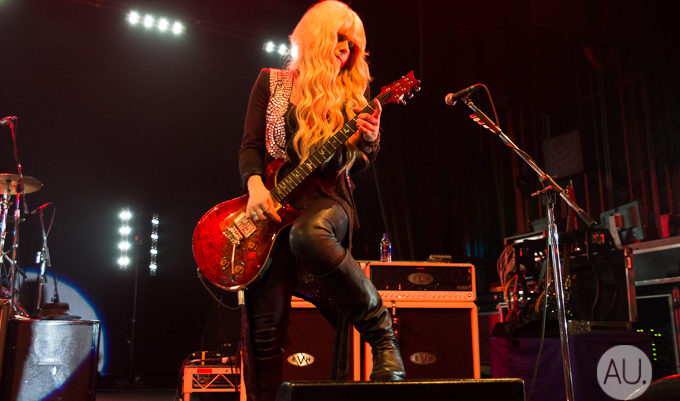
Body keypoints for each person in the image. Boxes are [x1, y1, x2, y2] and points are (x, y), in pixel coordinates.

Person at [238, 1, 405, 400]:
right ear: (315, 37)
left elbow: (359, 164)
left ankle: (383, 337)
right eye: (339, 38)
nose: (346, 49)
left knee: (309, 234)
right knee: (266, 325)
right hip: (273, 206)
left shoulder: (354, 95)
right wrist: (255, 187)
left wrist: (370, 140)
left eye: (353, 44)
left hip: (329, 200)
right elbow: (250, 147)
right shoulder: (272, 83)